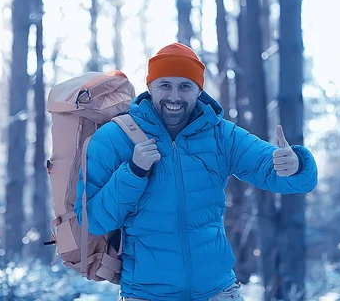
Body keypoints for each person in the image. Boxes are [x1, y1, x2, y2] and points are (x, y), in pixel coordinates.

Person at [74, 43, 318, 301]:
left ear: (199, 90)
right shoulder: (114, 138)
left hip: (217, 291)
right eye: (165, 85)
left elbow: (283, 174)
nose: (174, 97)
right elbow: (92, 221)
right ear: (150, 87)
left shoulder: (221, 135)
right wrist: (133, 172)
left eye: (185, 86)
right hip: (146, 294)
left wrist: (296, 165)